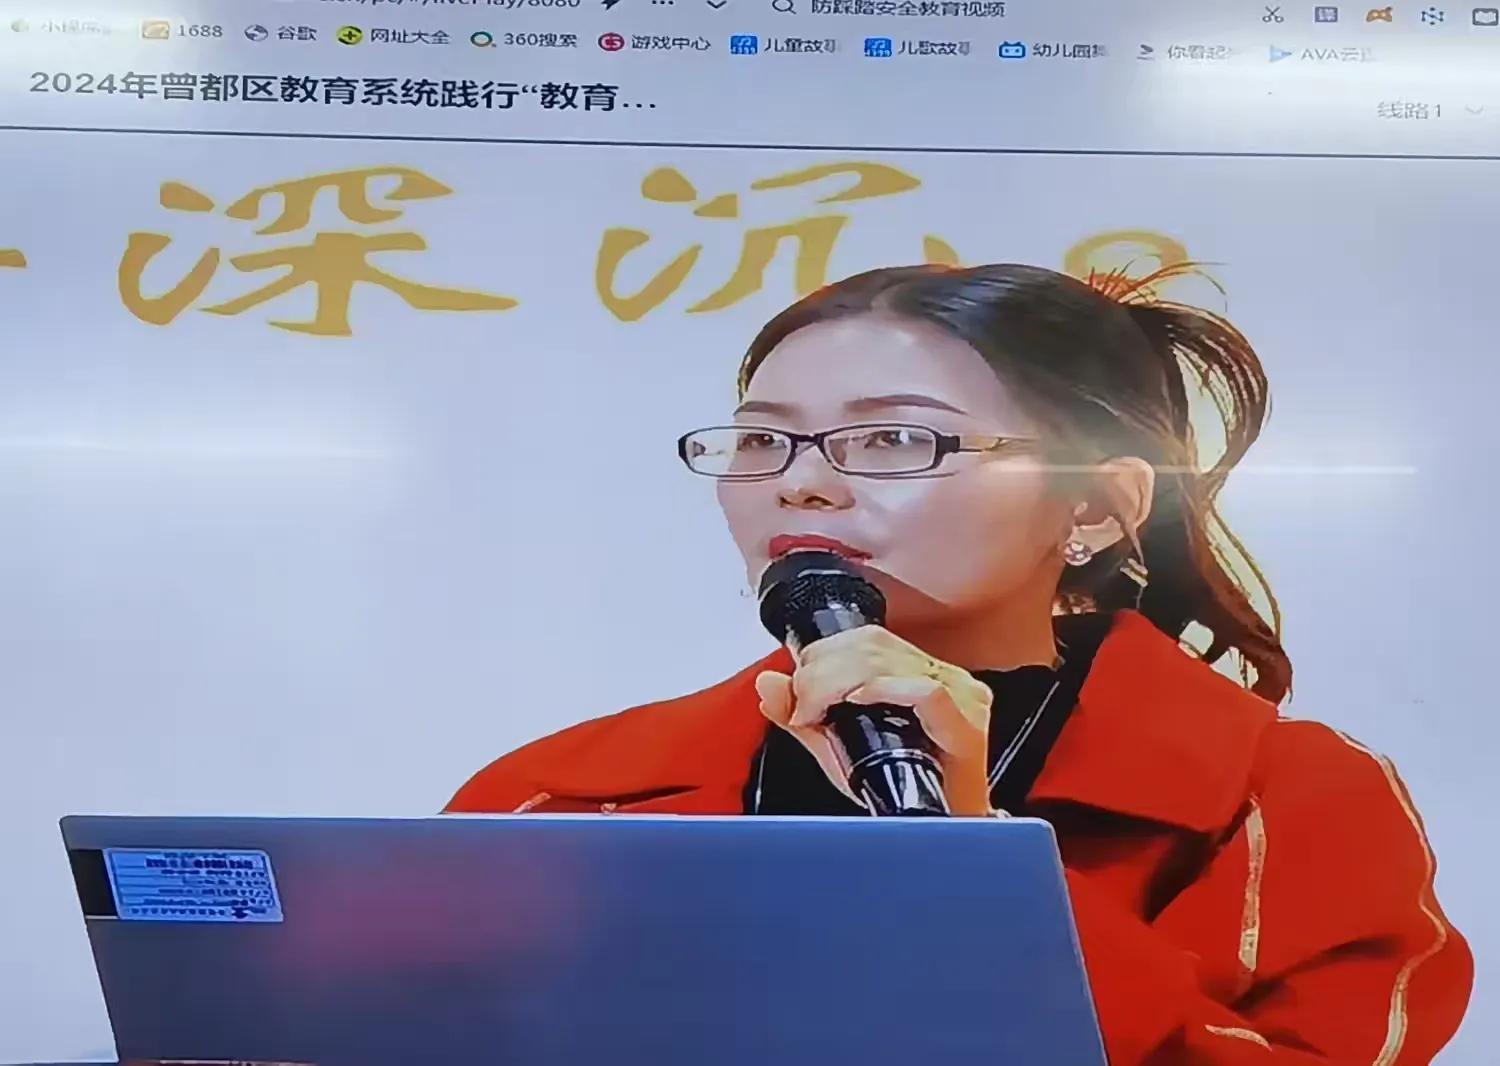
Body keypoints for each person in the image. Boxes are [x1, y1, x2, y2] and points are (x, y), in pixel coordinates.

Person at [447, 263, 1472, 1063]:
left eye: (895, 439)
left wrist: (978, 861)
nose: (800, 486)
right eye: (762, 442)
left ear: (1095, 505)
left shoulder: (1290, 801)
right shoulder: (555, 797)